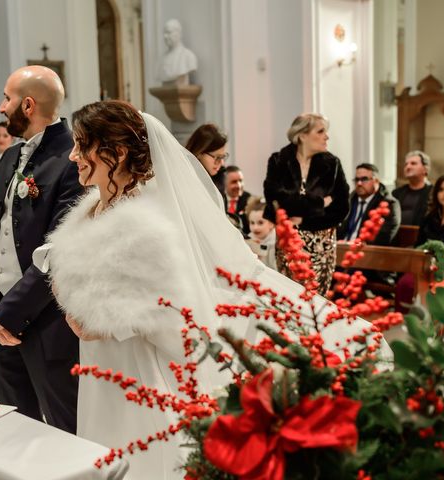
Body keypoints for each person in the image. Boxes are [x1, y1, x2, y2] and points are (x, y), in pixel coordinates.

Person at [45, 100, 376, 479]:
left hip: (136, 364)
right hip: (100, 358)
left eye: (82, 145)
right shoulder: (92, 209)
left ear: (117, 152)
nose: (72, 155)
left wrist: (108, 324)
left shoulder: (145, 220)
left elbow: (172, 308)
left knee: (141, 454)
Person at [0, 65, 82, 434]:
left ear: (29, 105)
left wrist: (8, 313)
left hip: (47, 324)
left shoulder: (72, 161)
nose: (2, 107)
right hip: (0, 324)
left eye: (7, 98)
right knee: (14, 430)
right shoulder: (8, 157)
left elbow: (58, 252)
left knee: (65, 429)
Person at [263, 113, 349, 295]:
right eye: (321, 131)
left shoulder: (332, 164)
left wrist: (302, 220)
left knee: (317, 301)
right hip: (289, 242)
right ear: (302, 135)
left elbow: (341, 208)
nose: (327, 136)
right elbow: (276, 201)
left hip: (322, 245)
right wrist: (319, 203)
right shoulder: (278, 161)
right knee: (290, 298)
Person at [395, 173, 444, 312]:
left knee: (440, 289)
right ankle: (407, 323)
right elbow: (418, 245)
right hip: (424, 265)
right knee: (405, 285)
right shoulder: (429, 218)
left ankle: (438, 327)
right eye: (440, 189)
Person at [338, 163, 401, 245]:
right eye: (357, 180)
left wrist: (355, 244)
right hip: (341, 247)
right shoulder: (349, 200)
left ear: (376, 181)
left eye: (364, 179)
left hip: (368, 252)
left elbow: (384, 237)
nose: (359, 183)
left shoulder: (388, 204)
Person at [185, 123, 229, 210]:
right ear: (199, 153)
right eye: (217, 157)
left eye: (223, 157)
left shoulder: (219, 177)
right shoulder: (186, 180)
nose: (221, 163)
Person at [392, 150, 433, 226]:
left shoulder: (433, 193)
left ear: (425, 169)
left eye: (413, 163)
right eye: (406, 164)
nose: (408, 167)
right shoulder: (396, 193)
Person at [158, 19, 197, 86]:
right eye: (164, 33)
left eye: (168, 32)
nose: (165, 36)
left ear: (178, 34)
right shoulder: (161, 59)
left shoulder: (188, 56)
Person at [246, 198, 276, 270]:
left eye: (260, 223)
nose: (255, 228)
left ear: (271, 223)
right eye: (252, 223)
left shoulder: (276, 243)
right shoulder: (249, 239)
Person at [225, 165, 252, 235]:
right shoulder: (218, 198)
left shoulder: (250, 200)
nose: (239, 185)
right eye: (234, 182)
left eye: (241, 181)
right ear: (224, 183)